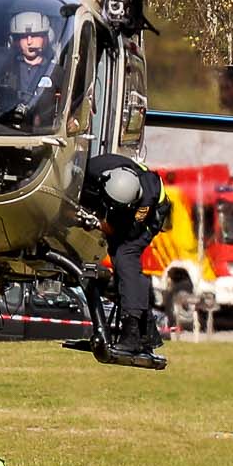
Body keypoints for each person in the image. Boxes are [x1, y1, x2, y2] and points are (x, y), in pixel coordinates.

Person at [82, 153, 170, 358]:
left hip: (149, 220)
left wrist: (102, 225)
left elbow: (127, 232)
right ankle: (147, 333)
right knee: (120, 263)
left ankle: (132, 332)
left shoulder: (144, 202)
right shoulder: (93, 170)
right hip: (111, 203)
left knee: (125, 258)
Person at [0, 8, 63, 130]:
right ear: (15, 41)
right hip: (7, 132)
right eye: (24, 37)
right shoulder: (5, 69)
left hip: (43, 136)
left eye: (36, 35)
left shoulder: (56, 73)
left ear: (47, 38)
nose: (29, 42)